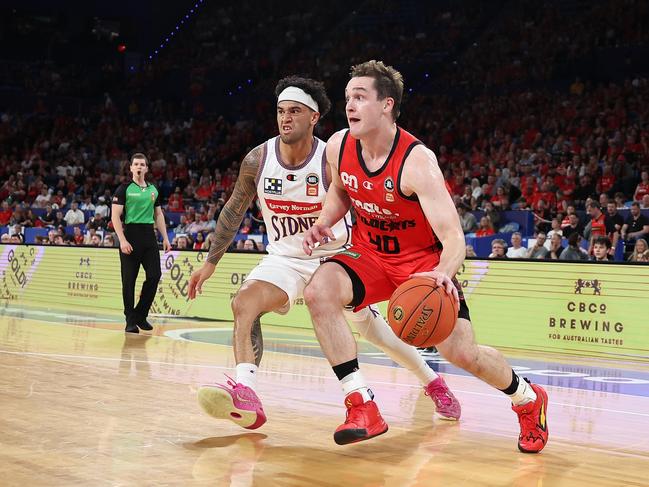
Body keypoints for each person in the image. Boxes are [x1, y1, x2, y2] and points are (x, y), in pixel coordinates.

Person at [187, 76, 460, 432]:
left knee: (377, 333)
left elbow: (367, 201)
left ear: (314, 117)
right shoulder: (259, 158)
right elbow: (234, 209)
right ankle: (246, 391)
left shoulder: (331, 156)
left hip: (339, 256)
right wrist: (210, 263)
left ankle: (432, 381)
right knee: (244, 303)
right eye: (281, 111)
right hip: (286, 257)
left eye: (295, 112)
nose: (285, 118)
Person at [302, 60, 548, 452]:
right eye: (348, 97)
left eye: (360, 97)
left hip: (422, 266)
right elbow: (340, 193)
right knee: (319, 292)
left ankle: (527, 399)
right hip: (370, 254)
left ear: (386, 105)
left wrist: (443, 274)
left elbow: (454, 238)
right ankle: (361, 405)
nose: (350, 105)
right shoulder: (338, 146)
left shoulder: (417, 162)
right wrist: (323, 221)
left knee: (463, 354)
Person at [111, 153, 171, 333]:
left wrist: (166, 237)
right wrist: (122, 240)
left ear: (146, 168)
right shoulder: (123, 189)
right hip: (130, 235)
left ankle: (140, 314)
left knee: (154, 275)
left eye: (142, 164)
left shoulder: (153, 189)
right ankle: (130, 319)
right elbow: (115, 216)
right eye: (135, 164)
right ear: (130, 168)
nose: (138, 167)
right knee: (129, 281)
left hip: (149, 236)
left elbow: (158, 214)